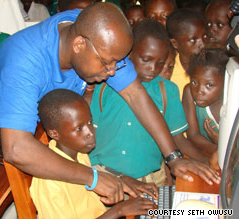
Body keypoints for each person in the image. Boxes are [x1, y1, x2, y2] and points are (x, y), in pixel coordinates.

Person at [0, 3, 220, 205]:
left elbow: (135, 94)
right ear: (79, 45)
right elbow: (17, 148)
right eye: (107, 63)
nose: (113, 72)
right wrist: (93, 177)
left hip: (53, 130)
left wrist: (174, 158)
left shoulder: (98, 38)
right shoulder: (26, 60)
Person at [89, 19, 209, 187]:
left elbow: (178, 139)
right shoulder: (104, 85)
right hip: (108, 178)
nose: (153, 68)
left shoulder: (168, 90)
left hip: (150, 180)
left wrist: (207, 162)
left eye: (160, 62)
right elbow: (92, 135)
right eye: (146, 59)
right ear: (129, 53)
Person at [30, 88, 158, 219]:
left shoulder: (78, 153)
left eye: (90, 122)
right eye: (79, 128)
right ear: (54, 133)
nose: (91, 133)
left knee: (171, 212)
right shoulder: (49, 183)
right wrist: (118, 211)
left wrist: (122, 180)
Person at [182, 48, 229, 154]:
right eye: (194, 82)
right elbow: (193, 135)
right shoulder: (189, 92)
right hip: (208, 157)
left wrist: (223, 145)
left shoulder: (234, 100)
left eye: (209, 85)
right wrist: (220, 148)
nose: (199, 91)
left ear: (226, 82)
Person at [166, 8, 207, 99]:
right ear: (175, 43)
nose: (203, 44)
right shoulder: (169, 74)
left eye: (205, 36)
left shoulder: (214, 68)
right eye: (193, 40)